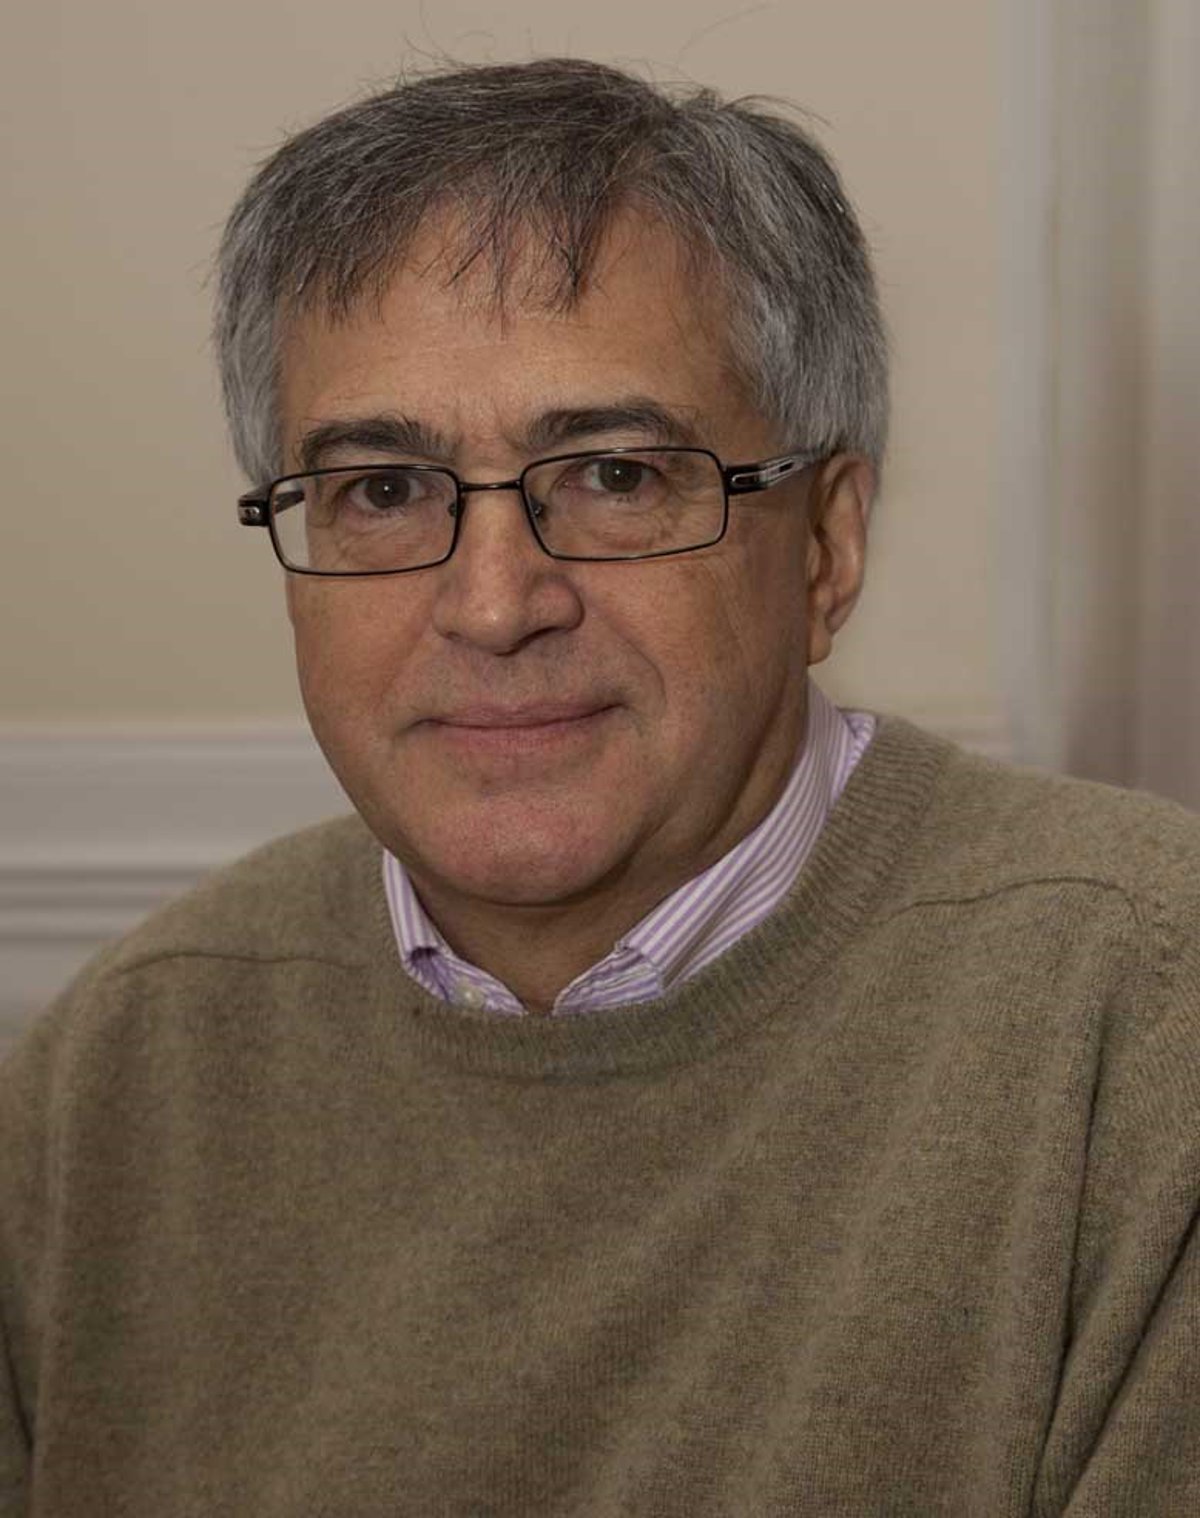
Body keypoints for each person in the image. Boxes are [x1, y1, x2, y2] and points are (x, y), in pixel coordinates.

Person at [2, 57, 1198, 1518]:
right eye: (383, 491)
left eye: (618, 476)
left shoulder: (1147, 1026)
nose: (494, 605)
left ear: (827, 548)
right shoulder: (120, 1065)